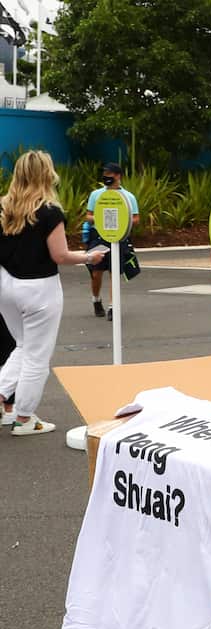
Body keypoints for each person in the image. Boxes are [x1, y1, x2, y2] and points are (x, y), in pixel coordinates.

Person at [0, 151, 108, 434]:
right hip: (38, 289)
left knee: (22, 346)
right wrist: (89, 257)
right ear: (46, 174)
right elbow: (59, 255)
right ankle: (24, 418)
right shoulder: (49, 212)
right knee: (37, 356)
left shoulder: (4, 207)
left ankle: (3, 397)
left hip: (6, 285)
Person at [83, 162, 140, 320]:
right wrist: (100, 219)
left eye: (110, 175)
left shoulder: (128, 197)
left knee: (115, 272)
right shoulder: (96, 195)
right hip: (98, 237)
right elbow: (88, 216)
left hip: (118, 237)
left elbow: (136, 218)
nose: (106, 177)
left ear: (118, 176)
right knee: (96, 272)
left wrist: (121, 220)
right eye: (105, 174)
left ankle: (113, 307)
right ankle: (96, 300)